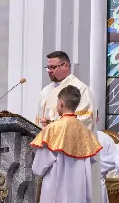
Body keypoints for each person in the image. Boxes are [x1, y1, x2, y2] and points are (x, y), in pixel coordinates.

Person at [35, 51, 102, 202]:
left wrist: (54, 125)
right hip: (52, 159)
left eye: (53, 67)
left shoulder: (80, 89)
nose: (49, 71)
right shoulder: (46, 91)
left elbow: (85, 120)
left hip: (73, 160)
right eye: (48, 67)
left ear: (65, 65)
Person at [97, 131, 116, 203]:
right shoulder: (73, 135)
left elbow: (115, 159)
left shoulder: (105, 138)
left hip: (98, 183)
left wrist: (97, 165)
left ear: (97, 119)